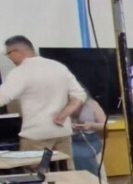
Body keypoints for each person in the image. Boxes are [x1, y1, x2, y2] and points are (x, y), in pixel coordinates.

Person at [0, 35, 87, 169]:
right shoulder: (58, 67)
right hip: (62, 132)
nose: (10, 58)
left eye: (8, 54)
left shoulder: (20, 71)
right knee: (67, 175)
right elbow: (80, 94)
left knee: (35, 176)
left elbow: (2, 97)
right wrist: (64, 114)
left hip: (36, 135)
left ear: (16, 52)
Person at [70, 95, 106, 176]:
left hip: (91, 139)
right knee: (70, 153)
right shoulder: (63, 105)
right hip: (71, 140)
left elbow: (105, 125)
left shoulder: (92, 104)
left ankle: (92, 181)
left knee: (82, 155)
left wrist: (91, 125)